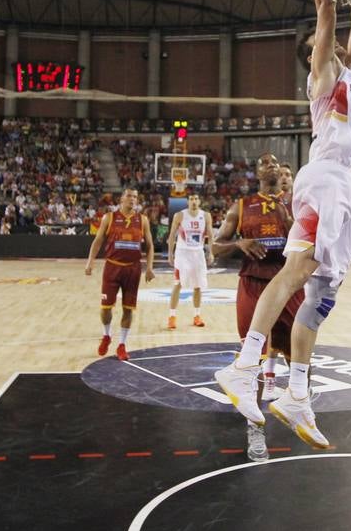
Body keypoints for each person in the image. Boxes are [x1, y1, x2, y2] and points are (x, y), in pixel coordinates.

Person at [215, 0, 351, 450]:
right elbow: (326, 3)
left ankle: (297, 395)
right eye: (320, 45)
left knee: (322, 292)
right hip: (326, 177)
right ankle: (245, 367)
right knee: (299, 271)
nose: (330, 44)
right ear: (316, 55)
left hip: (345, 185)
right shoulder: (325, 75)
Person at [213, 154, 301, 461]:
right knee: (252, 360)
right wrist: (240, 244)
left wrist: (289, 219)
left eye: (275, 161)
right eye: (264, 162)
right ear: (257, 173)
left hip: (289, 282)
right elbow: (215, 248)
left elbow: (310, 243)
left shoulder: (296, 204)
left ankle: (300, 408)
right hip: (252, 282)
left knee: (298, 355)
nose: (271, 164)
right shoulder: (241, 206)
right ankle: (255, 427)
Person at [85, 188, 154, 360]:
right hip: (112, 267)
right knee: (105, 308)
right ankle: (106, 335)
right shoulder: (109, 218)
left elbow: (150, 246)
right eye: (129, 196)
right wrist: (90, 262)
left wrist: (150, 267)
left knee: (128, 309)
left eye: (135, 197)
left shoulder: (143, 220)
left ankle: (122, 345)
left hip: (133, 269)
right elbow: (98, 240)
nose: (132, 199)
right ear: (122, 199)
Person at [165, 192, 214, 329]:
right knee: (178, 284)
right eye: (191, 199)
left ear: (199, 201)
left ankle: (197, 316)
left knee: (198, 286)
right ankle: (172, 316)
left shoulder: (205, 216)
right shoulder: (180, 215)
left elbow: (210, 236)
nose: (194, 201)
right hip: (182, 253)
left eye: (196, 198)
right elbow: (172, 236)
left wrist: (211, 253)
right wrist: (170, 254)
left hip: (198, 254)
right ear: (188, 201)